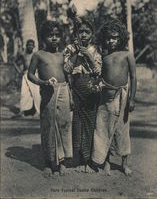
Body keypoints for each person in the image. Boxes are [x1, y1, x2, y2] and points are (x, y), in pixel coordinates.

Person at [92, 19, 137, 176]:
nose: (111, 41)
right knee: (103, 129)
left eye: (115, 37)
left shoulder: (127, 55)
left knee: (122, 130)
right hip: (105, 98)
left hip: (122, 97)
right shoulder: (104, 57)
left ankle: (125, 163)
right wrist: (96, 84)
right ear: (104, 38)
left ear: (121, 38)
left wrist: (132, 99)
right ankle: (106, 162)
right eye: (108, 38)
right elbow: (101, 77)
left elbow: (133, 77)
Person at [27, 20, 73, 176]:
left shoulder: (62, 56)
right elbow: (30, 74)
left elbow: (68, 75)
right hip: (47, 91)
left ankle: (63, 163)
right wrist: (42, 83)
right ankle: (48, 162)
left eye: (57, 35)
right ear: (43, 38)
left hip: (64, 90)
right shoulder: (38, 55)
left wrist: (71, 95)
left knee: (64, 124)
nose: (54, 38)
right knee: (48, 126)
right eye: (50, 35)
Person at [64, 19, 102, 173]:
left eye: (87, 32)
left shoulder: (96, 49)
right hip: (76, 89)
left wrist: (88, 55)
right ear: (77, 34)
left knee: (90, 125)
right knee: (77, 125)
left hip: (92, 90)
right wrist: (76, 53)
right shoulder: (69, 48)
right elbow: (66, 69)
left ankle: (89, 160)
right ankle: (80, 160)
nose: (84, 34)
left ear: (92, 34)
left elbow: (99, 71)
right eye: (81, 32)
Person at [15, 39, 40, 118]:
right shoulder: (23, 54)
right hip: (25, 75)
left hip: (34, 75)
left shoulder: (36, 55)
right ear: (26, 46)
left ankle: (38, 111)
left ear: (34, 46)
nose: (30, 46)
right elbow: (15, 62)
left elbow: (40, 64)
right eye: (29, 45)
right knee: (24, 93)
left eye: (31, 45)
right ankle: (22, 110)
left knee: (36, 93)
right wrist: (19, 71)